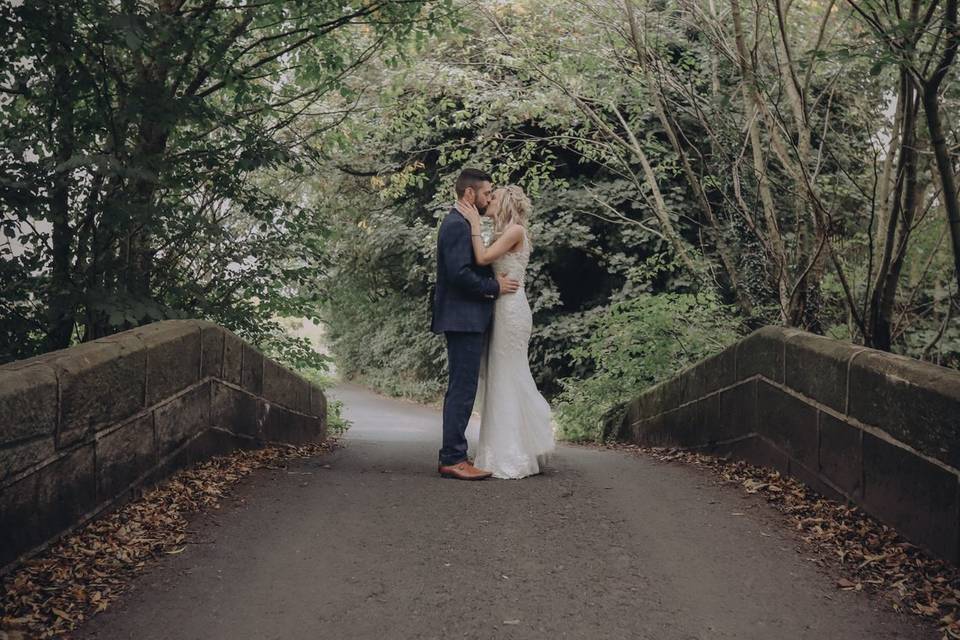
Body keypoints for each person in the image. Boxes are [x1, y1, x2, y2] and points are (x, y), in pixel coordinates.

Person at [456, 185, 556, 479]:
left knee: (508, 374)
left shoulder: (515, 230)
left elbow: (483, 258)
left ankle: (510, 453)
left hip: (512, 310)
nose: (489, 201)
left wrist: (474, 224)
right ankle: (499, 449)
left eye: (494, 197)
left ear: (507, 202)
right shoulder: (504, 232)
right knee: (500, 374)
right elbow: (491, 264)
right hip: (502, 306)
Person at [431, 168, 520, 480]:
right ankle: (453, 458)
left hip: (466, 317)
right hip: (463, 318)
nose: (488, 198)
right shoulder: (456, 225)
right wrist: (495, 287)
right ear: (470, 194)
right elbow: (459, 274)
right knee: (462, 389)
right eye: (486, 193)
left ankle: (455, 454)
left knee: (464, 387)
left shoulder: (461, 222)